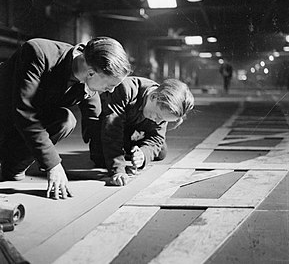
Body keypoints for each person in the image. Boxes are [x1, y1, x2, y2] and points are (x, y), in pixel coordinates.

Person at [0, 36, 132, 199]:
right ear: (91, 72)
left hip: (18, 125)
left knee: (65, 120)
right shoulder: (38, 52)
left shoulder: (88, 80)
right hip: (5, 113)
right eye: (110, 85)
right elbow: (25, 112)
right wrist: (53, 164)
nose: (110, 91)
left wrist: (116, 168)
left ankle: (10, 167)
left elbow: (95, 123)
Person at [81, 76, 195, 186]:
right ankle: (122, 153)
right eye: (157, 115)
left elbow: (157, 138)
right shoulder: (125, 89)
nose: (157, 122)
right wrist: (119, 170)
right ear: (153, 97)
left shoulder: (162, 108)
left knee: (161, 151)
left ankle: (129, 152)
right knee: (99, 158)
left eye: (163, 120)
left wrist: (143, 155)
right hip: (107, 126)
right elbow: (112, 131)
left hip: (132, 130)